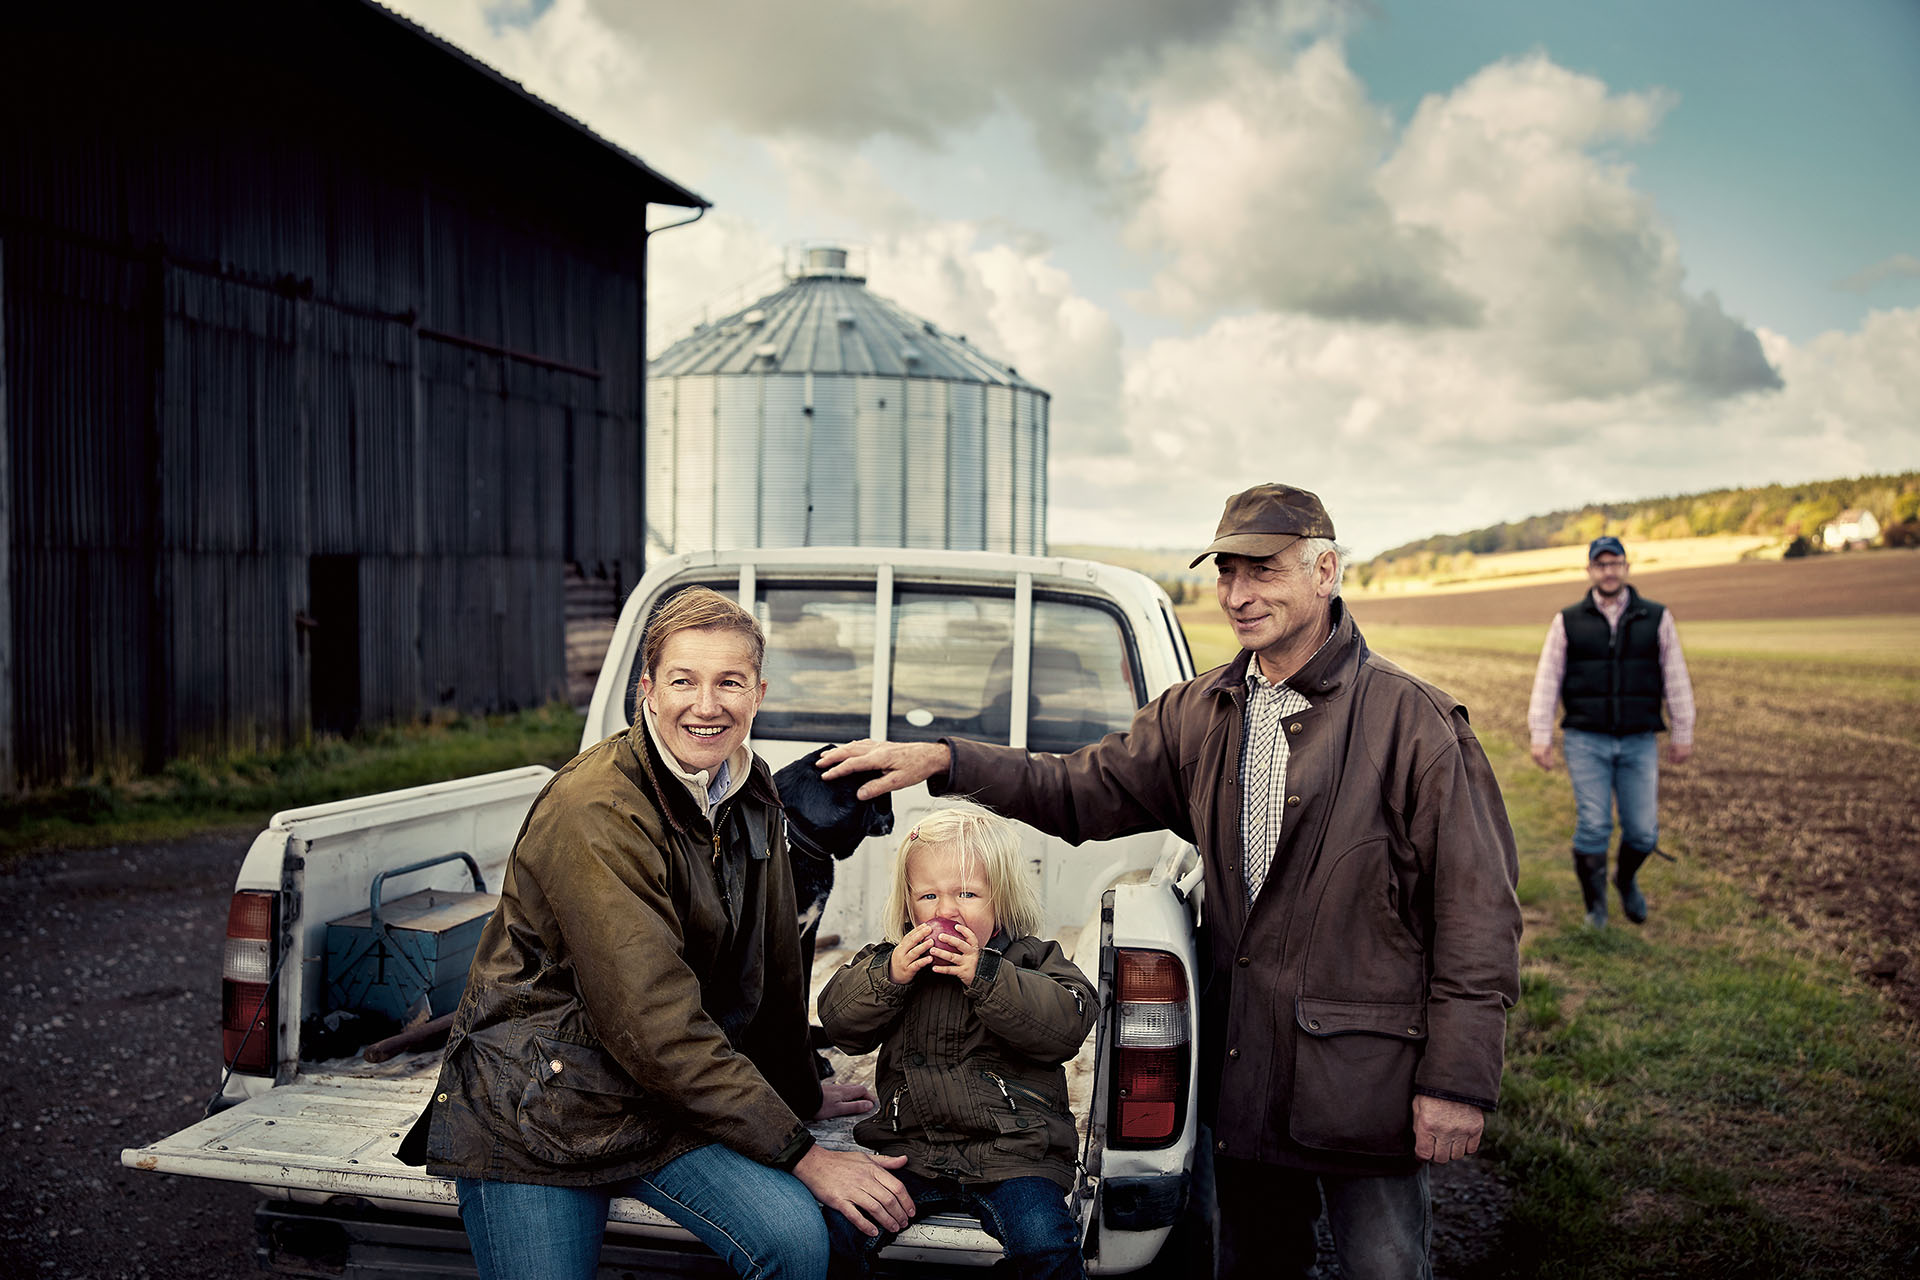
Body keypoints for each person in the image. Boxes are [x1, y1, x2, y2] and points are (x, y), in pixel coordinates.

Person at [820, 482, 1523, 1280]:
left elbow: (1478, 916)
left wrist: (1457, 1084)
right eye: (1226, 572)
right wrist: (949, 761)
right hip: (1245, 1082)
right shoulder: (1202, 713)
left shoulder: (1415, 723)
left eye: (1261, 570)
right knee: (1253, 1265)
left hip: (1367, 1084)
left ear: (1325, 571)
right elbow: (1076, 787)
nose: (1237, 593)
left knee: (1386, 1267)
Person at [404, 586, 915, 1280]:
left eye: (729, 682)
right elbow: (651, 1018)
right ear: (647, 689)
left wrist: (794, 1094)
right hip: (541, 1103)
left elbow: (772, 970)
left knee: (796, 1243)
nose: (707, 706)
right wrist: (803, 1153)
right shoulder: (597, 808)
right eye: (684, 680)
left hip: (658, 1100)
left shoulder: (751, 788)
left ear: (757, 693)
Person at [817, 802, 1097, 1280]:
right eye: (928, 896)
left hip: (1015, 1157)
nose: (946, 911)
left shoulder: (1033, 960)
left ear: (1002, 900)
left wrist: (987, 976)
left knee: (1046, 1247)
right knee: (836, 1231)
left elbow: (1067, 1023)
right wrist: (888, 976)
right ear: (908, 904)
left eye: (967, 893)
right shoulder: (891, 962)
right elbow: (841, 1025)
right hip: (914, 1151)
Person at [1527, 535, 1695, 928]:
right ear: (1590, 571)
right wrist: (1541, 733)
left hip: (1639, 739)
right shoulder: (1567, 620)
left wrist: (1683, 729)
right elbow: (1547, 679)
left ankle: (1625, 879)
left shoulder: (1655, 617)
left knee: (1642, 831)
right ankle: (1595, 909)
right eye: (1600, 564)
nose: (1608, 571)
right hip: (1586, 739)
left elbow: (1676, 675)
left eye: (1614, 563)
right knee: (1595, 824)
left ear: (1626, 567)